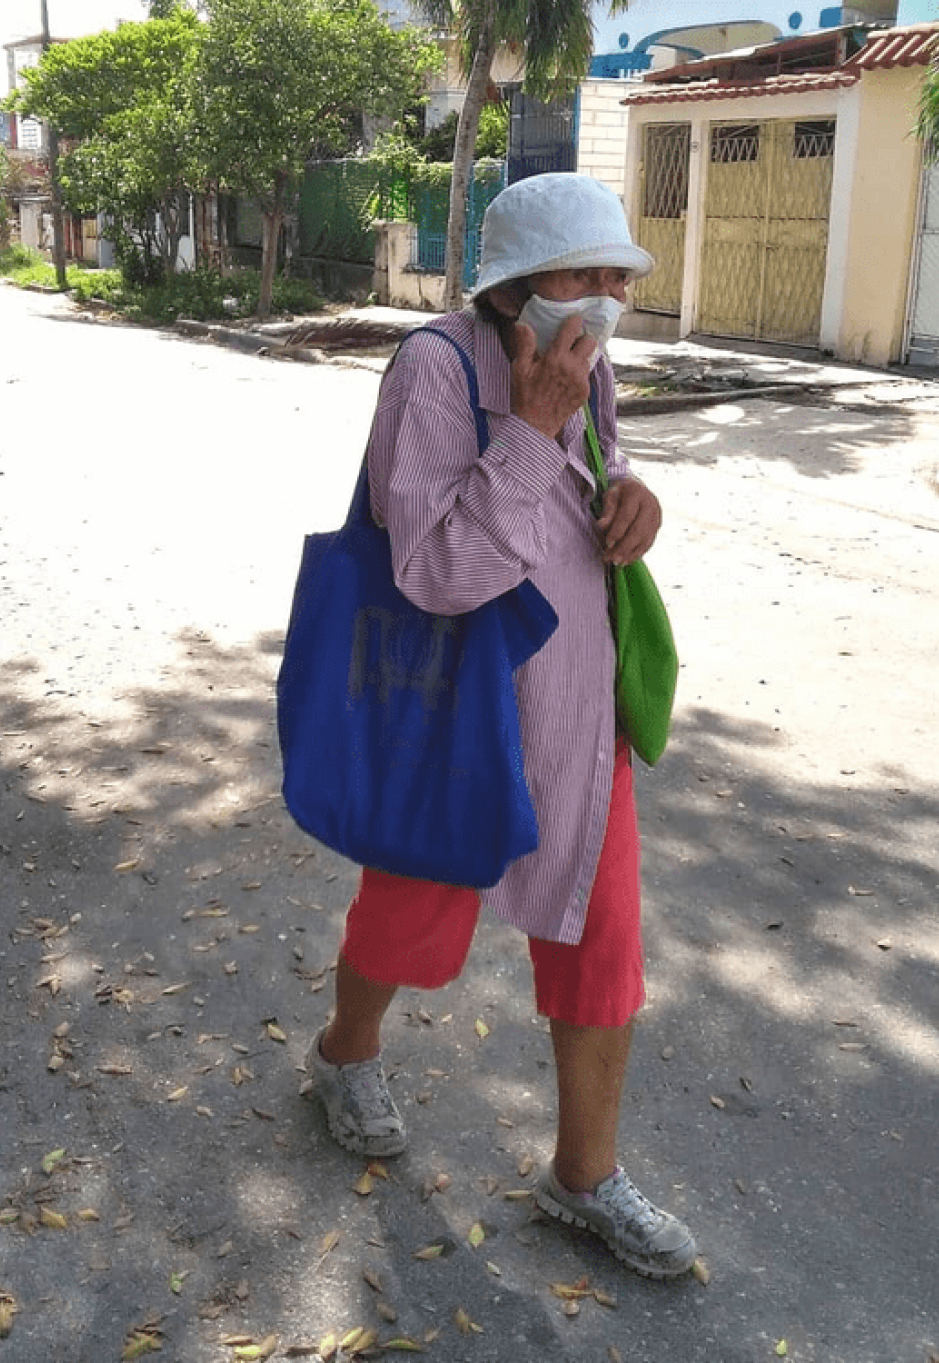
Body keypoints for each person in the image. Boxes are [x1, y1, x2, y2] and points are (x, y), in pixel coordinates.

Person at [304, 173, 696, 1279]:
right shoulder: (435, 369)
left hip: (578, 706)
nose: (609, 297)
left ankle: (584, 1174)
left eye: (618, 276)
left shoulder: (585, 361)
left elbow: (591, 483)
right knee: (409, 918)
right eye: (585, 276)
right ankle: (345, 1054)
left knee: (599, 937)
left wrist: (636, 500)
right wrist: (528, 430)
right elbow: (432, 570)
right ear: (517, 288)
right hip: (460, 713)